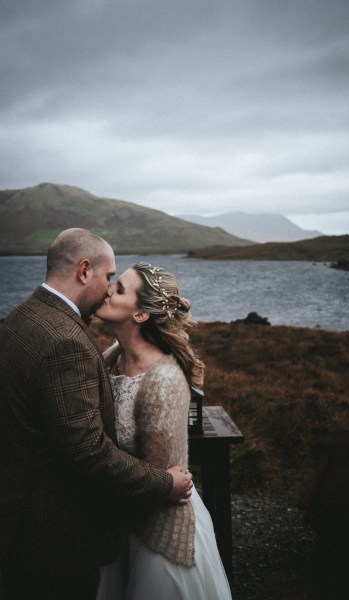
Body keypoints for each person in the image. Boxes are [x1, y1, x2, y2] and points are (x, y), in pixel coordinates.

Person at [0, 229, 192, 600]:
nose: (108, 289)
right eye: (109, 278)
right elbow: (88, 451)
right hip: (50, 532)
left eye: (118, 286)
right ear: (84, 270)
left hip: (23, 515)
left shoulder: (22, 316)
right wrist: (165, 485)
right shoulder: (67, 343)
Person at [95, 262, 232, 599]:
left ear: (141, 315)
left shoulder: (162, 379)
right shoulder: (111, 356)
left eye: (120, 288)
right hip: (121, 514)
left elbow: (160, 477)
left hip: (157, 523)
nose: (107, 289)